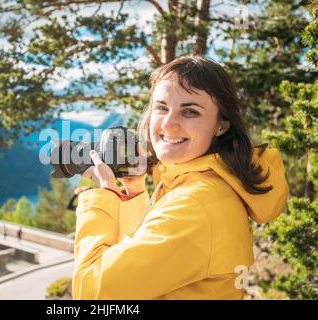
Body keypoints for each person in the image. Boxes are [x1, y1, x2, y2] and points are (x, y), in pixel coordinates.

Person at [72, 56, 289, 300]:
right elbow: (140, 262)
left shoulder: (195, 204)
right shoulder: (203, 187)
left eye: (190, 112)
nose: (168, 123)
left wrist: (105, 194)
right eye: (161, 108)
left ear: (221, 125)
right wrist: (134, 194)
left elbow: (91, 292)